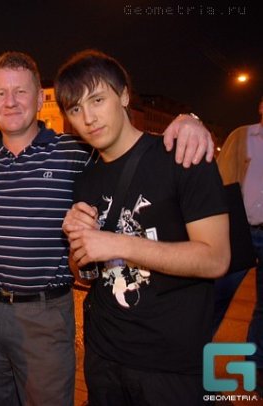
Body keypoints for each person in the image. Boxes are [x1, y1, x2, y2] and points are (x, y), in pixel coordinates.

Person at [0, 52, 214, 405]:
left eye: (21, 92)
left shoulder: (76, 151)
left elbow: (126, 145)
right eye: (1, 93)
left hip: (45, 315)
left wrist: (188, 122)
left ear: (41, 99)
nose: (10, 102)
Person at [57, 50, 229, 405]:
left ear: (123, 95)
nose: (88, 118)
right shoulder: (85, 180)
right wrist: (78, 246)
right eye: (75, 109)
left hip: (171, 363)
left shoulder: (182, 156)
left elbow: (216, 259)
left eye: (97, 100)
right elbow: (84, 275)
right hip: (103, 355)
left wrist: (117, 243)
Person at [214, 95, 263, 394]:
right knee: (217, 297)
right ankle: (193, 361)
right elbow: (219, 180)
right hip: (239, 230)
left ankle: (256, 367)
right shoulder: (241, 136)